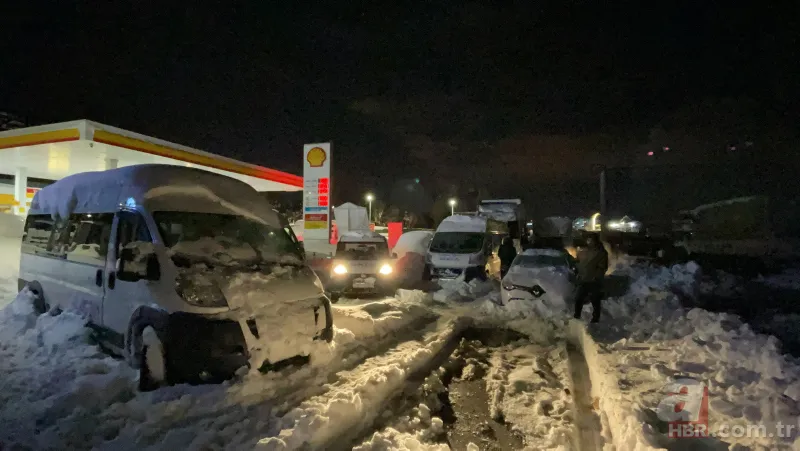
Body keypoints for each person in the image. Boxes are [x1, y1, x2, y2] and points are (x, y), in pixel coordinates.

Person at [573, 233, 608, 323]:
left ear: (595, 240)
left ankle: (596, 319)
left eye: (591, 239)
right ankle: (577, 316)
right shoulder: (583, 251)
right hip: (583, 279)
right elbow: (579, 263)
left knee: (595, 300)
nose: (589, 241)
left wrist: (597, 277)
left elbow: (602, 267)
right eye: (588, 239)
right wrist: (577, 271)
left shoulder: (600, 252)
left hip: (593, 281)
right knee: (578, 299)